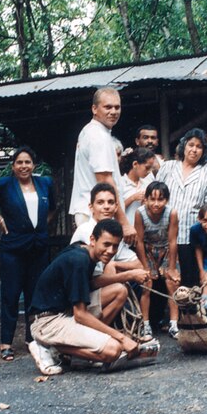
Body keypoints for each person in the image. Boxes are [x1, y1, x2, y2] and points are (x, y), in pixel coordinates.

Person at [28, 219, 143, 375]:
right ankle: (47, 346)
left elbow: (90, 284)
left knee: (119, 291)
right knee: (113, 350)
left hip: (64, 311)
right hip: (47, 321)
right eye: (106, 244)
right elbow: (80, 315)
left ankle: (80, 353)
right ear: (93, 240)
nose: (110, 251)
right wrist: (121, 338)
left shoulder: (84, 251)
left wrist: (128, 275)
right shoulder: (79, 260)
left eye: (115, 246)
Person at [0, 147, 57, 361]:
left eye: (27, 162)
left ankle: (33, 339)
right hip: (13, 248)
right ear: (13, 166)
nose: (24, 166)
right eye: (19, 162)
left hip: (38, 247)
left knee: (35, 294)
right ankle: (6, 343)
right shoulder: (3, 185)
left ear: (34, 165)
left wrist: (39, 228)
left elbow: (52, 209)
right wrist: (0, 220)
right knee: (10, 295)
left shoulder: (45, 183)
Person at [70, 183, 151, 328]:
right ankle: (93, 333)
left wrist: (115, 264)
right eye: (100, 202)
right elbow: (94, 282)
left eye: (110, 202)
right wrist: (126, 274)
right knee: (120, 289)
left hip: (97, 292)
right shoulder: (87, 231)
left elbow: (138, 264)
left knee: (126, 278)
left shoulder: (112, 231)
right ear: (91, 207)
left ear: (116, 207)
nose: (106, 207)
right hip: (79, 298)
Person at [69, 87, 136, 244]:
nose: (113, 111)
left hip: (92, 211)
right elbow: (105, 181)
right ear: (94, 109)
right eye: (108, 107)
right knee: (101, 267)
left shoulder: (94, 131)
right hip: (95, 214)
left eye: (117, 107)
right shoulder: (97, 135)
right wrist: (124, 223)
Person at [156, 128, 207, 287]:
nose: (194, 150)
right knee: (161, 280)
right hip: (162, 235)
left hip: (189, 237)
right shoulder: (168, 167)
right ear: (184, 146)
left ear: (203, 151)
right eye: (191, 145)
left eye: (199, 147)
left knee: (188, 282)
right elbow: (154, 195)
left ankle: (187, 312)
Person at [134, 181, 181, 339]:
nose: (156, 204)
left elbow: (173, 241)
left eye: (160, 199)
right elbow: (139, 241)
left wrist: (172, 267)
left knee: (172, 283)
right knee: (146, 284)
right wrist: (145, 267)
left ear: (166, 200)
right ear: (145, 199)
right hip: (147, 250)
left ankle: (174, 324)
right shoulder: (140, 213)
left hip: (166, 250)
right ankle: (145, 324)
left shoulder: (171, 213)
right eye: (152, 199)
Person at [120, 147, 156, 224]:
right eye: (147, 168)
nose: (149, 172)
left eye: (151, 168)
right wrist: (132, 198)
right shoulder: (120, 183)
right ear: (135, 164)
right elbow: (115, 209)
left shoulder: (147, 183)